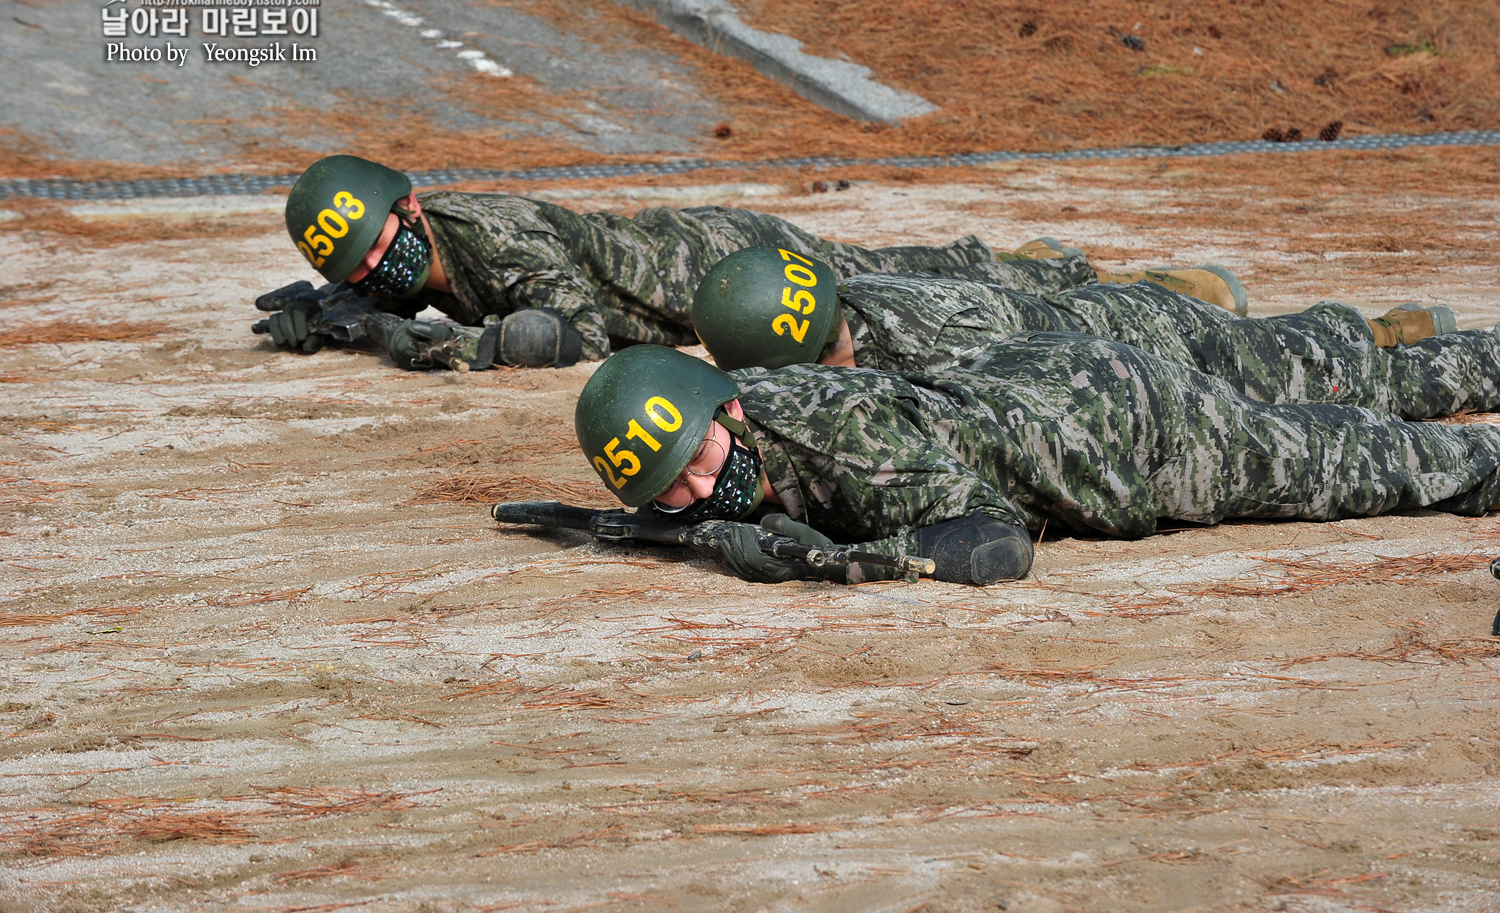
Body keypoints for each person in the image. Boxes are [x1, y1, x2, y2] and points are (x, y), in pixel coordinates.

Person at [572, 343, 1500, 586]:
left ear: (731, 412)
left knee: (1386, 461)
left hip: (1125, 434)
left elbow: (994, 542)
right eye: (673, 488)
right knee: (1327, 386)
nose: (700, 490)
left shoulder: (848, 450)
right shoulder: (729, 402)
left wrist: (822, 558)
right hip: (1028, 386)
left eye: (699, 459)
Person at [264, 154, 1248, 367]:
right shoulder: (423, 257)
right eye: (362, 262)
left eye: (387, 238)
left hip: (726, 260)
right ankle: (1028, 265)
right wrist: (348, 316)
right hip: (698, 271)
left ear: (412, 205)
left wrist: (393, 336)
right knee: (897, 271)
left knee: (903, 282)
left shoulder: (495, 229)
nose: (382, 260)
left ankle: (1100, 281)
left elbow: (566, 333)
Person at [690, 248, 1497, 421]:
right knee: (1315, 354)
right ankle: (1380, 332)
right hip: (1111, 327)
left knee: (1367, 387)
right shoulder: (855, 301)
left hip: (1154, 345)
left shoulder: (932, 340)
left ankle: (1397, 340)